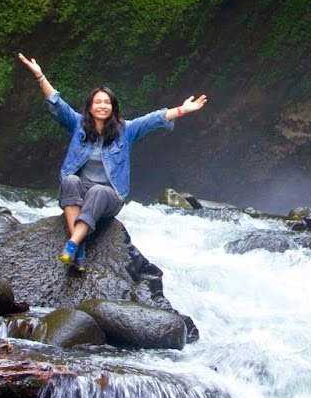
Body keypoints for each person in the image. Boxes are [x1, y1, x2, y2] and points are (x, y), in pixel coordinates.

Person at [18, 53, 207, 271]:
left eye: (107, 102)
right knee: (69, 181)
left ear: (113, 107)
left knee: (98, 191)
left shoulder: (126, 130)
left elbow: (154, 119)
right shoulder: (78, 124)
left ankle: (73, 243)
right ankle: (77, 248)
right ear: (89, 107)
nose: (102, 106)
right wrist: (40, 76)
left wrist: (182, 110)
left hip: (110, 195)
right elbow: (57, 105)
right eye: (97, 102)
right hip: (82, 190)